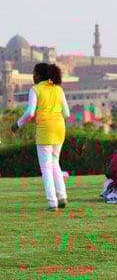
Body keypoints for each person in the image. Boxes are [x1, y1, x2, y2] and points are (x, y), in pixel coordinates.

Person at [12, 63, 70, 211]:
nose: (33, 76)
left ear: (38, 75)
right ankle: (62, 196)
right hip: (59, 129)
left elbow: (30, 112)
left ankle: (52, 203)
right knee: (55, 162)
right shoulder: (58, 89)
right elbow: (67, 114)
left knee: (46, 168)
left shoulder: (35, 90)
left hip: (45, 130)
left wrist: (18, 124)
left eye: (34, 73)